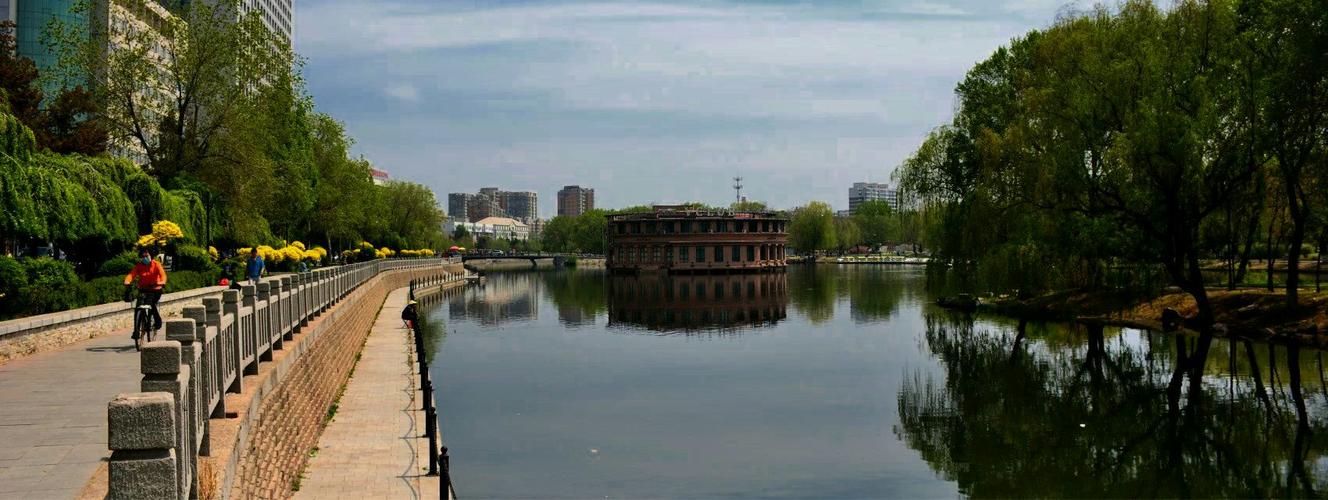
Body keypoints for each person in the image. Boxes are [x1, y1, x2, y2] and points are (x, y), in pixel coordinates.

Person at [123, 249, 167, 337]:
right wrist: (127, 281)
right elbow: (132, 274)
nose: (145, 258)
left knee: (152, 304)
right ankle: (136, 331)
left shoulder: (156, 264)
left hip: (156, 289)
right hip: (143, 289)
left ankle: (157, 321)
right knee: (138, 308)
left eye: (146, 256)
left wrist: (162, 282)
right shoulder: (139, 266)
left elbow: (163, 275)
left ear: (151, 256)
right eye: (143, 256)